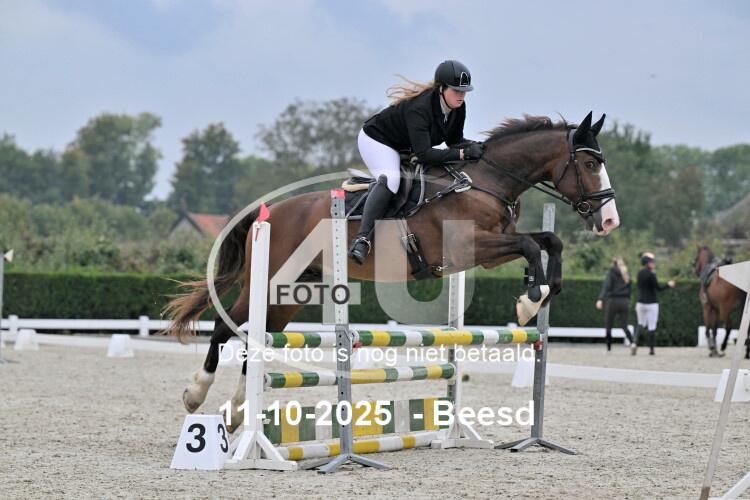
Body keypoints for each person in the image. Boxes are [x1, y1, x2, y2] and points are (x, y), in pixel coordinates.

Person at [347, 60, 484, 264]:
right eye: (456, 90)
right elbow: (425, 154)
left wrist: (478, 147)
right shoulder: (420, 108)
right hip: (377, 140)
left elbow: (454, 141)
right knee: (392, 180)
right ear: (441, 88)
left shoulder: (458, 107)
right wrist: (463, 154)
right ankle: (362, 239)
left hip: (404, 146)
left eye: (464, 91)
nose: (461, 95)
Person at [633, 252, 676, 355]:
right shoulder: (651, 274)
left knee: (640, 323)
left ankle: (634, 343)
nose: (654, 264)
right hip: (651, 303)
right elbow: (658, 288)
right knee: (652, 326)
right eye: (652, 262)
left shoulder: (639, 273)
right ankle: (651, 350)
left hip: (640, 302)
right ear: (648, 263)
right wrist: (668, 285)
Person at [596, 256, 634, 352]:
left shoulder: (611, 273)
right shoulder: (627, 273)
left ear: (613, 263)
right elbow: (630, 289)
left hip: (613, 301)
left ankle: (609, 348)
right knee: (624, 325)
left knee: (609, 325)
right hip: (624, 302)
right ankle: (633, 343)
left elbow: (606, 286)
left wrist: (600, 299)